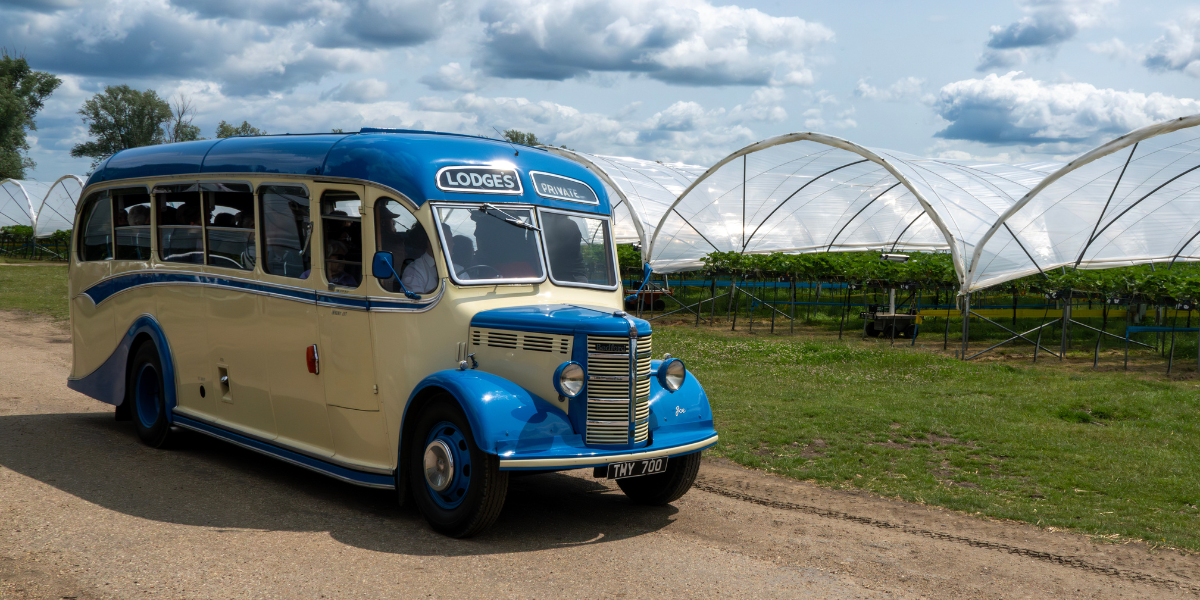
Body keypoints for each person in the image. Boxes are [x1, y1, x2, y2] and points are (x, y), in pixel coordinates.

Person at [401, 225, 438, 294]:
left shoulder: (457, 269)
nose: (453, 244)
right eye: (447, 239)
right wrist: (445, 287)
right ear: (431, 243)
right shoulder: (414, 270)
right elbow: (416, 301)